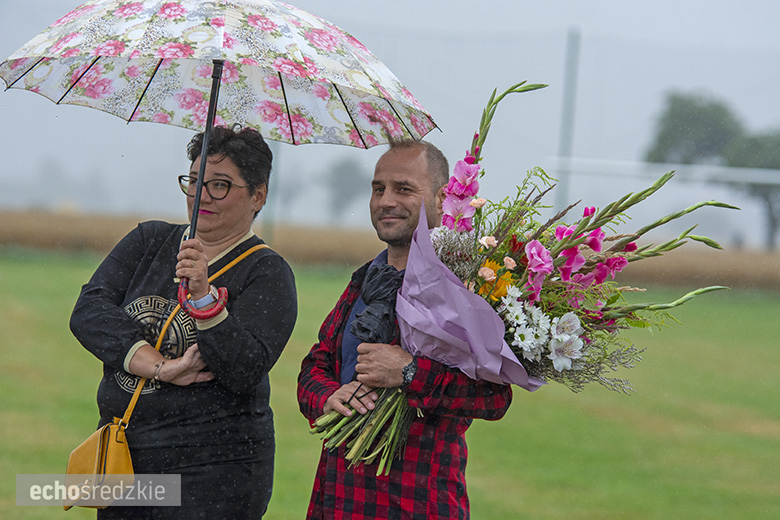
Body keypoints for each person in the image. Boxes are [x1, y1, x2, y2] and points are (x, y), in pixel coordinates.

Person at [70, 126, 297, 519]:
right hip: (125, 461)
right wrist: (159, 366)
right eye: (194, 181)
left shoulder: (268, 273)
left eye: (220, 185)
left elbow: (244, 368)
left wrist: (204, 298)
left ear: (258, 195)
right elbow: (89, 312)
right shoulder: (150, 241)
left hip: (212, 475)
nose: (201, 195)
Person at [297, 139, 513, 520]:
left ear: (444, 198)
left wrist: (410, 373)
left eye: (404, 189)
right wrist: (328, 398)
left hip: (415, 501)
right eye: (378, 188)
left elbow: (494, 398)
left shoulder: (464, 285)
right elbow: (313, 367)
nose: (386, 200)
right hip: (336, 498)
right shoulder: (366, 279)